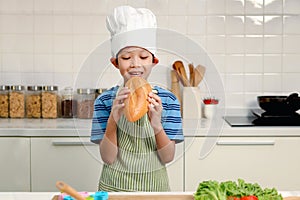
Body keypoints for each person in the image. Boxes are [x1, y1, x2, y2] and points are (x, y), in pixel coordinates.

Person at [91, 5, 184, 192]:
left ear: (154, 61)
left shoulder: (168, 101)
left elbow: (167, 157)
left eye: (143, 56)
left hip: (155, 191)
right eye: (126, 57)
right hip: (114, 189)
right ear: (115, 63)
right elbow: (108, 158)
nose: (135, 64)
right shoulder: (105, 101)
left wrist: (156, 124)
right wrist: (113, 119)